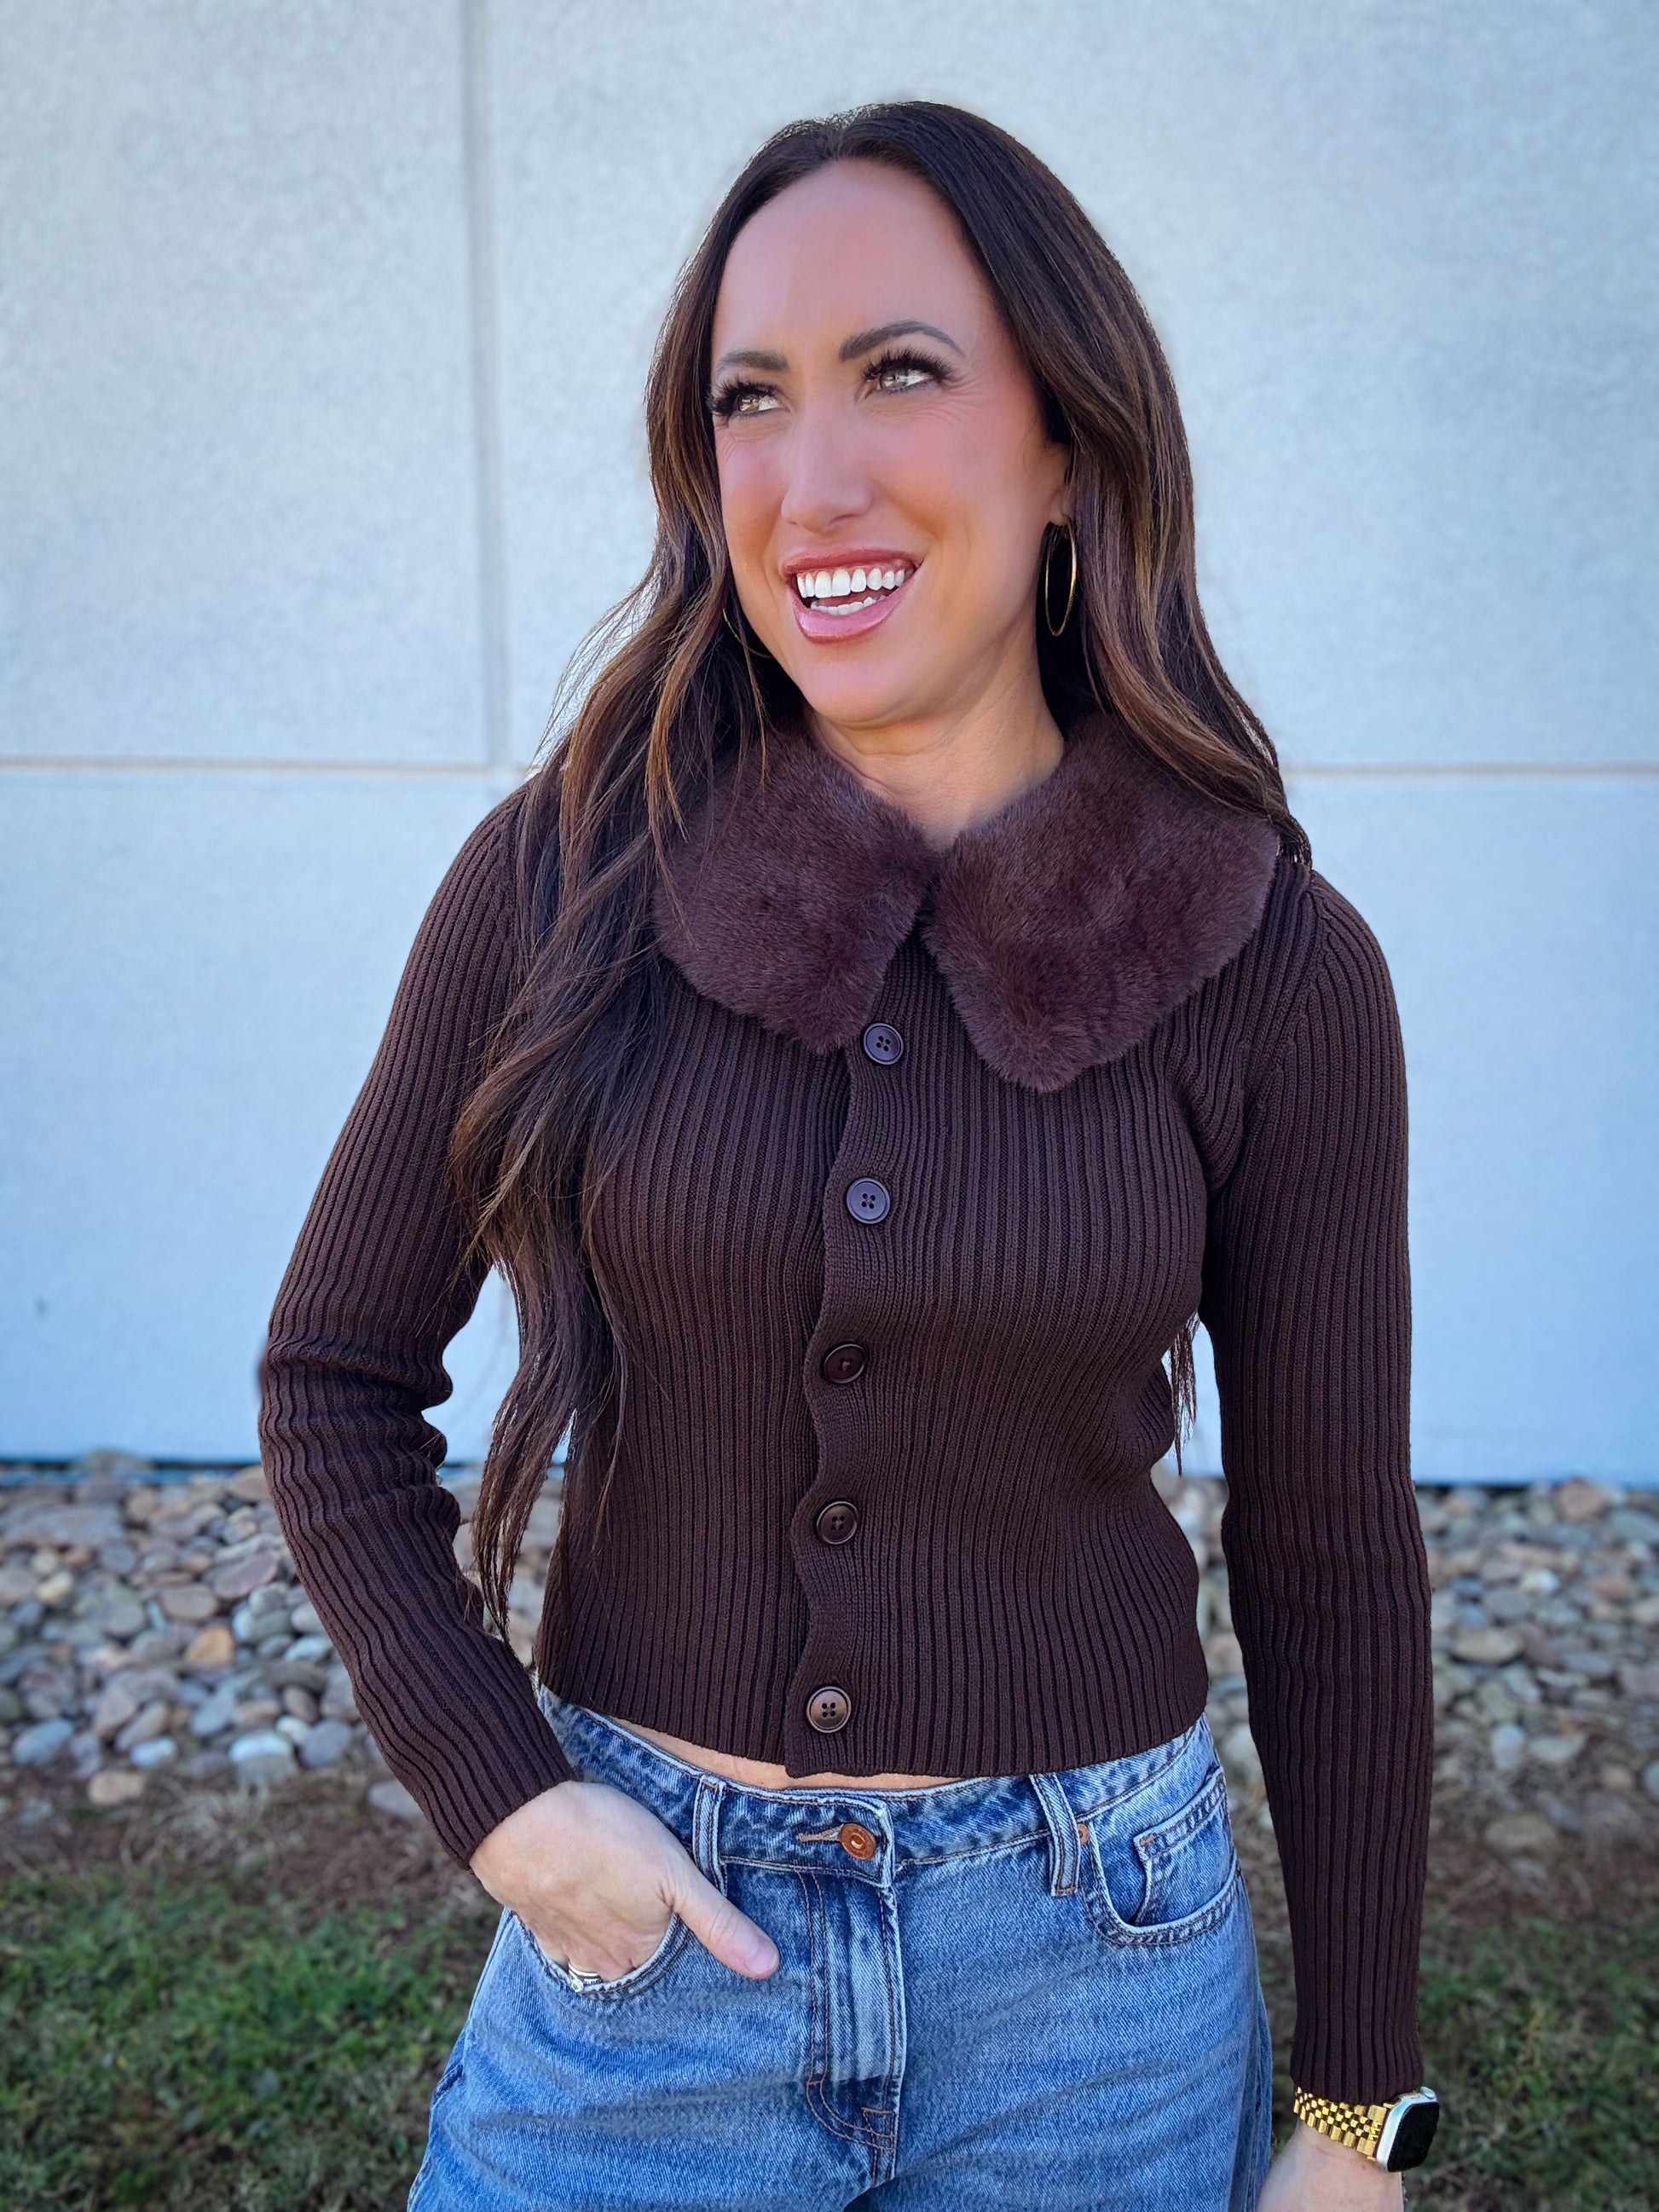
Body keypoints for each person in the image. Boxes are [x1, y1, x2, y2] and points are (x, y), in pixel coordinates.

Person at [258, 99, 1437, 2212]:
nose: (812, 482)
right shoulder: (559, 878)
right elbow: (332, 1377)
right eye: (747, 400)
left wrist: (1360, 2113)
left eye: (901, 372)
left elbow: (1333, 1557)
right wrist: (505, 1796)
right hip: (645, 1955)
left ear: (1067, 439)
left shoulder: (1278, 962)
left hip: (1099, 1982)